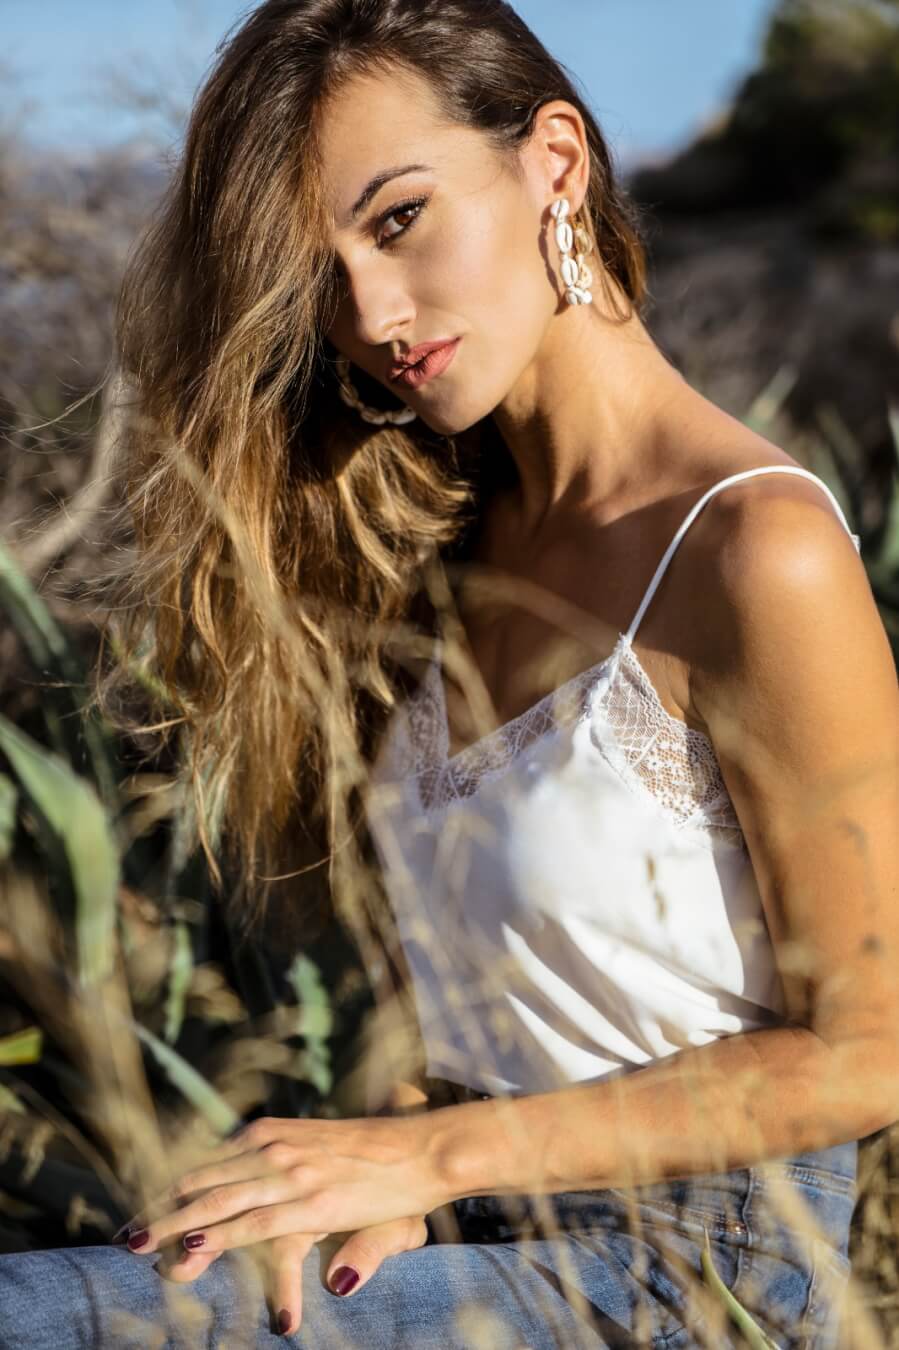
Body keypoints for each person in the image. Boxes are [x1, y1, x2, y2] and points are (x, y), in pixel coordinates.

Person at [1, 1, 897, 1346]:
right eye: (321, 270)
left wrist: (431, 1159)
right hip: (470, 1244)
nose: (369, 311)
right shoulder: (442, 542)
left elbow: (870, 1047)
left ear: (553, 159)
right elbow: (509, 1011)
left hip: (702, 1276)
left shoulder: (757, 548)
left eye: (401, 217)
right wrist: (381, 1179)